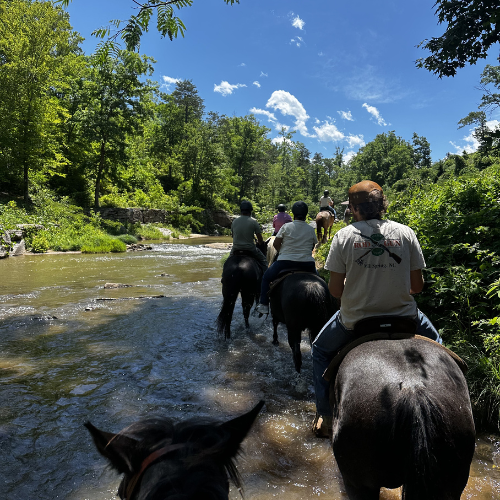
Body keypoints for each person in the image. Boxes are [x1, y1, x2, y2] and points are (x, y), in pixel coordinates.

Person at [311, 180, 442, 438]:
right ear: (382, 205)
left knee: (319, 351)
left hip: (355, 320)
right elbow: (417, 286)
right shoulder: (406, 232)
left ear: (354, 209)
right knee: (440, 345)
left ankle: (325, 416)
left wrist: (357, 282)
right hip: (405, 317)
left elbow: (336, 292)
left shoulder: (343, 236)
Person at [256, 201, 318, 315]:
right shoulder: (310, 229)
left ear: (293, 214)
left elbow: (276, 244)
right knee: (321, 282)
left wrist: (283, 252)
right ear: (306, 214)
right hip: (307, 264)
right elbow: (312, 246)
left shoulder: (286, 227)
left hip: (285, 262)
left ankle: (264, 304)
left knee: (266, 278)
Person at [230, 200, 268, 274]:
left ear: (241, 211)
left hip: (236, 248)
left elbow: (233, 236)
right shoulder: (254, 221)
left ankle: (223, 278)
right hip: (250, 249)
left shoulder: (234, 221)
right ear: (250, 211)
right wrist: (259, 243)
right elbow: (260, 239)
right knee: (264, 261)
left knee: (227, 262)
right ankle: (266, 279)